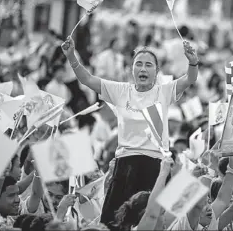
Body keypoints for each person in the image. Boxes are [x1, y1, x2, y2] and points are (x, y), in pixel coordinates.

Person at [61, 36, 199, 227]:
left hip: (155, 166)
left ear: (157, 71)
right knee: (113, 223)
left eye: (149, 65)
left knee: (152, 223)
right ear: (131, 69)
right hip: (126, 164)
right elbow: (86, 79)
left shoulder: (164, 91)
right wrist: (71, 57)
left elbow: (190, 79)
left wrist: (192, 62)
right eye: (139, 64)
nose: (143, 69)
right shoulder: (120, 91)